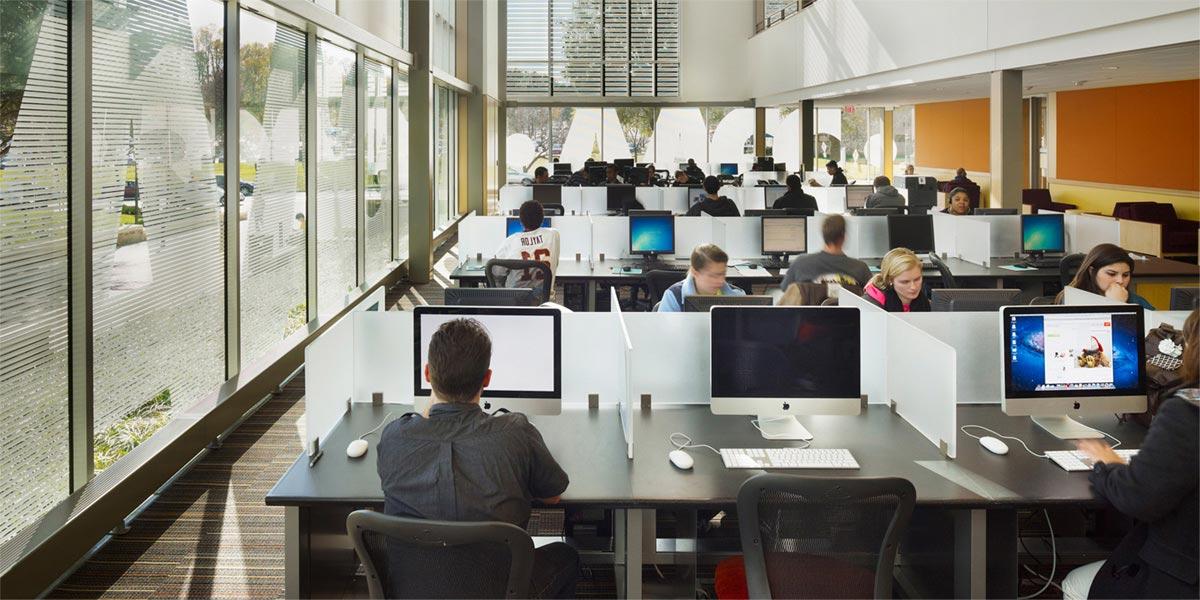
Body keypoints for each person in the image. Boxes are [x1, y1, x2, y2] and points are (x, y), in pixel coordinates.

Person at [377, 318, 578, 599]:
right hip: (498, 588)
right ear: (487, 378)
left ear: (427, 374)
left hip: (414, 588)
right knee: (565, 555)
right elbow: (553, 496)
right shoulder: (515, 432)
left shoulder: (394, 437)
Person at [1062, 308, 1198, 600]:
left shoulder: (1188, 411)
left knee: (1078, 582)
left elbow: (1139, 499)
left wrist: (1107, 465)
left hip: (1183, 579)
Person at [780, 214, 872, 290]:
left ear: (823, 235)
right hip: (849, 313)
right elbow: (873, 299)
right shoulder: (861, 269)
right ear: (843, 237)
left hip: (810, 313)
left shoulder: (801, 263)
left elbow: (786, 290)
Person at [1055, 243, 1154, 308]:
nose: (1120, 280)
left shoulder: (1137, 302)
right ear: (1091, 271)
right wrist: (1116, 305)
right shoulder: (1071, 299)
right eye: (1111, 274)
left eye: (1125, 275)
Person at [657, 244, 746, 312]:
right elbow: (663, 334)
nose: (720, 281)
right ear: (695, 273)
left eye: (722, 274)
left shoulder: (738, 296)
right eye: (713, 276)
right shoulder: (673, 296)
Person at [496, 200, 560, 294]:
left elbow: (497, 272)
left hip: (514, 301)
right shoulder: (554, 235)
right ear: (542, 219)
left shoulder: (510, 241)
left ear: (521, 221)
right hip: (543, 301)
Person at [864, 247, 930, 312]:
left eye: (917, 279)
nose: (913, 287)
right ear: (890, 280)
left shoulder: (922, 300)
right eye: (905, 282)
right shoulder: (871, 305)